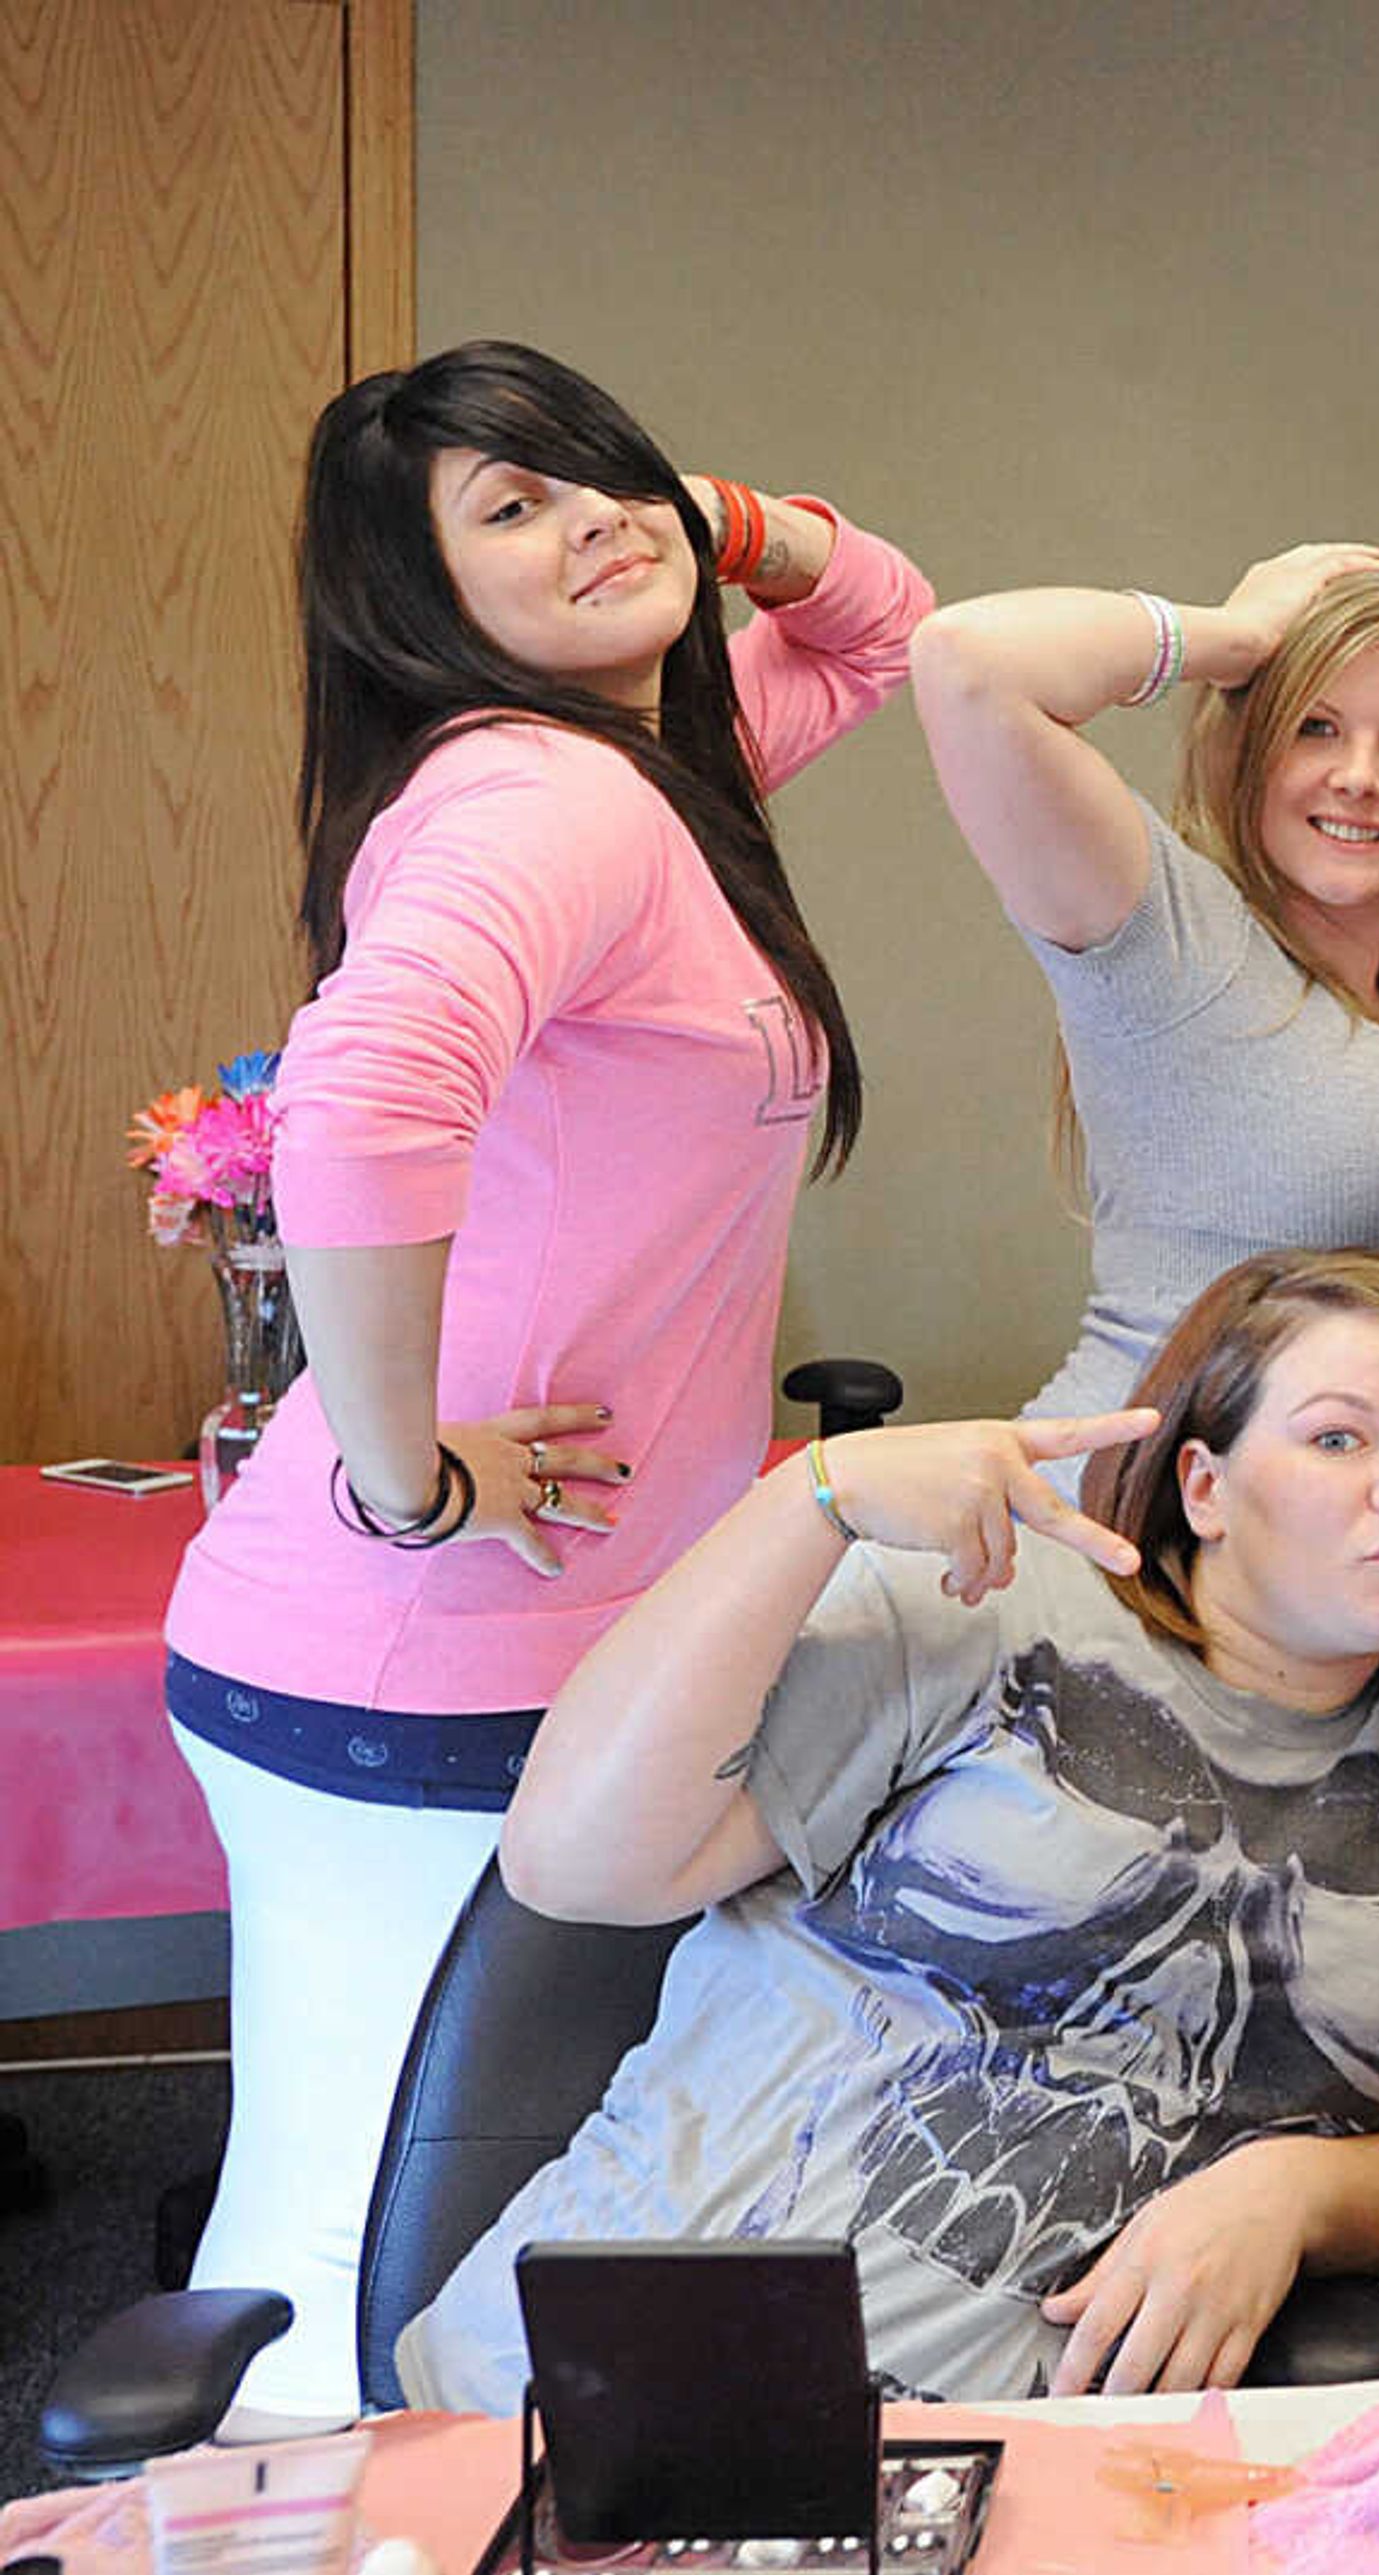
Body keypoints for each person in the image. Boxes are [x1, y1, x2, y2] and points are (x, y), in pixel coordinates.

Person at [159, 341, 931, 2425]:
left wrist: (711, 519)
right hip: (421, 1647)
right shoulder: (542, 792)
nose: (589, 520)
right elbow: (361, 1102)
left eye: (595, 477)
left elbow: (889, 636)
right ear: (416, 602)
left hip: (498, 1644)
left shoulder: (650, 776)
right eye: (512, 509)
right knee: (362, 2248)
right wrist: (405, 1476)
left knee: (414, 2215)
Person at [396, 1251, 1379, 2405]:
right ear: (1204, 1486)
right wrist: (813, 1501)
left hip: (997, 2482)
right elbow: (571, 1865)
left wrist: (1292, 2196)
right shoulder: (981, 1603)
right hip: (587, 2398)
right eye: (1340, 1438)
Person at [910, 543, 1379, 1414]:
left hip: (1360, 1533)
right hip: (1136, 1529)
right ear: (1249, 749)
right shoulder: (1173, 939)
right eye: (1314, 728)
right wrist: (1226, 636)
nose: (1359, 776)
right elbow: (967, 661)